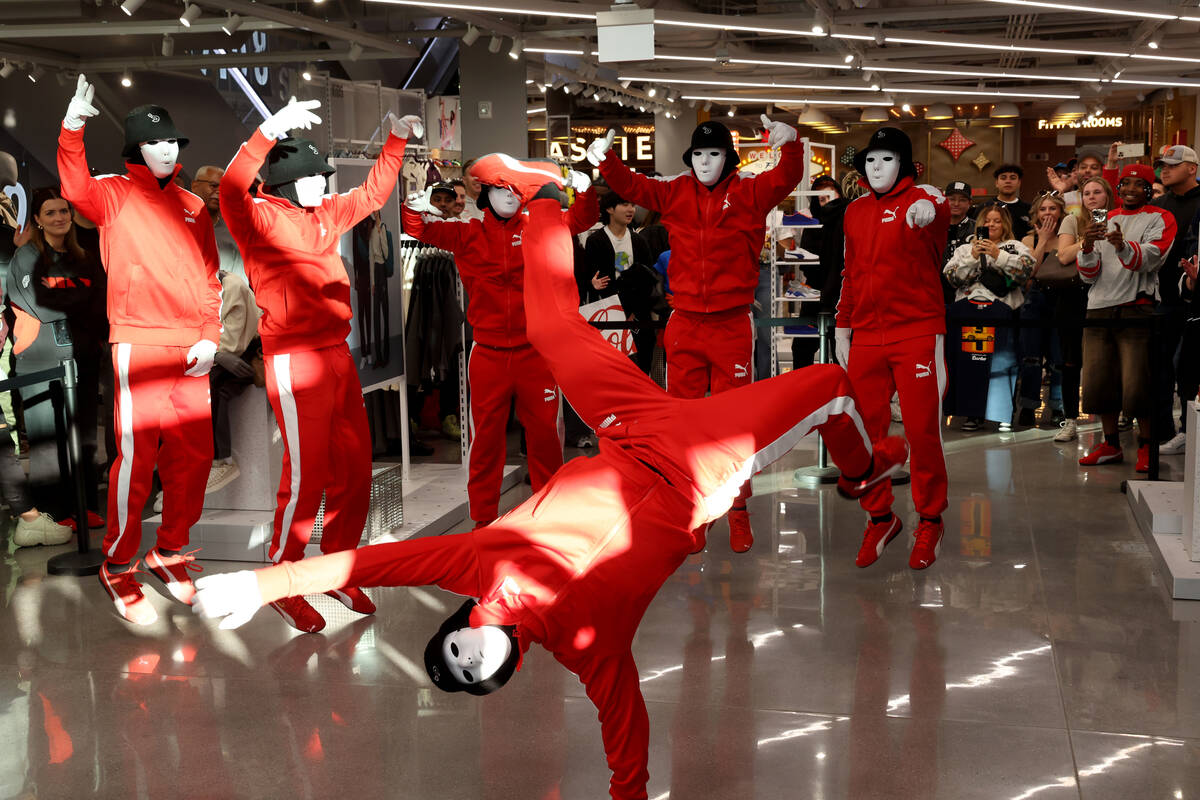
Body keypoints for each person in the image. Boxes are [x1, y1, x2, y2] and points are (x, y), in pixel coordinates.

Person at [191, 153, 911, 800]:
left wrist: (259, 585)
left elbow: (369, 562)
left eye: (458, 650)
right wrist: (628, 794)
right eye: (477, 672)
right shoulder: (582, 642)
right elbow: (622, 716)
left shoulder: (477, 563)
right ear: (502, 675)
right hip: (699, 468)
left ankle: (541, 199)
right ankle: (873, 486)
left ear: (461, 623)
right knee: (832, 385)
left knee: (552, 329)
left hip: (630, 431)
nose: (475, 656)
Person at [219, 98, 420, 633]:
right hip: (292, 358)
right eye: (311, 177)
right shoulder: (258, 217)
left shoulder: (325, 213)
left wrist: (396, 140)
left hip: (337, 353)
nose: (322, 185)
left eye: (323, 177)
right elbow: (229, 191)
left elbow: (374, 193)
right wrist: (266, 132)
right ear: (286, 181)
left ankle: (337, 567)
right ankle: (282, 577)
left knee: (355, 468)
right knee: (305, 477)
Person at [587, 114, 805, 553]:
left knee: (734, 428)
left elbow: (785, 178)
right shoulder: (676, 192)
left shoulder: (749, 192)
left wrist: (793, 145)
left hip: (729, 324)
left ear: (728, 157)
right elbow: (635, 187)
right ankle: (693, 513)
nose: (706, 161)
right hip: (685, 321)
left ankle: (738, 512)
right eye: (699, 154)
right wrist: (606, 161)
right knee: (684, 428)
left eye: (714, 153)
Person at [59, 75, 222, 625]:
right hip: (138, 344)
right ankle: (119, 564)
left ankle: (169, 550)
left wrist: (209, 335)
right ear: (135, 149)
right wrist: (73, 128)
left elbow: (208, 277)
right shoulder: (112, 193)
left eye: (173, 142)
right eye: (156, 142)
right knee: (137, 461)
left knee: (195, 459)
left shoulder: (195, 207)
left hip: (190, 351)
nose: (168, 150)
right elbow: (75, 189)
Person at [401, 164, 597, 529]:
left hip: (535, 353)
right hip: (488, 354)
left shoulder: (537, 226)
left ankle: (548, 517)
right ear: (485, 196)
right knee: (485, 444)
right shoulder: (467, 234)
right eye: (501, 189)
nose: (510, 195)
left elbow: (581, 219)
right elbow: (416, 228)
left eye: (515, 189)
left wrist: (585, 190)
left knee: (546, 441)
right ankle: (483, 522)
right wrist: (412, 205)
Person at [836, 126, 951, 570]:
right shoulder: (855, 211)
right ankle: (880, 516)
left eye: (886, 159)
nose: (876, 167)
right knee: (866, 433)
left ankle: (930, 519)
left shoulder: (923, 200)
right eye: (869, 160)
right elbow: (851, 271)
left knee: (922, 431)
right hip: (865, 333)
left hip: (916, 331)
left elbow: (935, 204)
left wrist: (927, 203)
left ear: (903, 164)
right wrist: (843, 323)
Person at [5, 187, 108, 528]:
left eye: (63, 211)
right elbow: (40, 302)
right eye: (50, 213)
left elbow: (98, 299)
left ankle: (84, 505)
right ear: (37, 219)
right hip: (41, 361)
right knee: (50, 438)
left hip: (82, 358)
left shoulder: (82, 255)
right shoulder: (27, 257)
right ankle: (55, 512)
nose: (60, 218)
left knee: (84, 436)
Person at [1076, 164, 1176, 472]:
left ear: (1149, 188)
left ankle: (1146, 446)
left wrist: (1121, 245)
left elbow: (1152, 258)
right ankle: (1110, 445)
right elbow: (1088, 275)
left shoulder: (1161, 217)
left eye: (1138, 184)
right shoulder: (1106, 217)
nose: (1131, 189)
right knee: (1097, 381)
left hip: (1137, 306)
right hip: (1098, 307)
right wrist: (1088, 245)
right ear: (1117, 189)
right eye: (1125, 184)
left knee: (1137, 383)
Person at [945, 205, 1035, 432]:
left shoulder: (1016, 247)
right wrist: (974, 257)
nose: (991, 225)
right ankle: (972, 412)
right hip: (967, 316)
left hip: (1003, 317)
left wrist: (998, 255)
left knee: (1002, 366)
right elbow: (951, 277)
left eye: (996, 221)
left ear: (1005, 224)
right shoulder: (966, 249)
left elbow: (1026, 271)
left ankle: (1002, 413)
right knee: (970, 365)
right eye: (987, 221)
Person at [1054, 176, 1116, 442]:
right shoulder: (1072, 219)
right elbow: (1063, 255)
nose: (1091, 197)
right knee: (1071, 361)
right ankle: (1069, 421)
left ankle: (1114, 421)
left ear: (1108, 196)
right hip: (1074, 296)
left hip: (1109, 293)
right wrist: (1088, 241)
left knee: (1107, 361)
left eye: (1097, 192)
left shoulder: (1118, 217)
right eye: (1086, 193)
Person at [1150, 145, 1200, 455]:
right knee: (1162, 366)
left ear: (1191, 168)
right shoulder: (1159, 204)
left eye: (1171, 165)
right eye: (1161, 166)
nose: (1164, 171)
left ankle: (1189, 429)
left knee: (1191, 369)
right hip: (1165, 295)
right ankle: (1164, 429)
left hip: (1197, 299)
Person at [582, 192, 657, 374]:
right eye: (624, 204)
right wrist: (591, 283)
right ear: (609, 209)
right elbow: (590, 277)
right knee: (612, 370)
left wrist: (632, 310)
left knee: (641, 369)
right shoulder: (596, 241)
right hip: (608, 313)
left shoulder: (639, 240)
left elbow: (648, 278)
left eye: (632, 204)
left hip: (638, 315)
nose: (631, 209)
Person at [206, 268, 261, 493]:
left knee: (212, 383)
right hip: (223, 352)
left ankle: (221, 459)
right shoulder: (212, 286)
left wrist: (215, 354)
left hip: (244, 354)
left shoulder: (231, 286)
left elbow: (233, 344)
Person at [1017, 193, 1069, 427]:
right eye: (1043, 209)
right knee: (1031, 359)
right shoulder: (1028, 240)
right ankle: (1028, 406)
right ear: (1036, 214)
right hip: (1035, 299)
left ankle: (1058, 407)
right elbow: (1029, 272)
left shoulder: (1069, 238)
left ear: (1061, 213)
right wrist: (1043, 240)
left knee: (1059, 359)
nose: (1047, 213)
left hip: (1061, 299)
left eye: (1052, 209)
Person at [190, 165, 244, 277]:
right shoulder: (177, 223)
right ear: (194, 186)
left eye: (223, 188)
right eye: (213, 186)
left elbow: (239, 285)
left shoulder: (233, 236)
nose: (219, 191)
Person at [942, 180, 975, 303]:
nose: (956, 203)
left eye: (962, 200)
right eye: (951, 199)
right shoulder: (933, 227)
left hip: (967, 293)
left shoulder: (977, 229)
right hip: (936, 291)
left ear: (970, 203)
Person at [992, 163, 1031, 240]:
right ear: (996, 183)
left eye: (1012, 178)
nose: (1008, 181)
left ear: (1019, 183)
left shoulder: (1029, 209)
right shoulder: (986, 207)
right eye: (1003, 178)